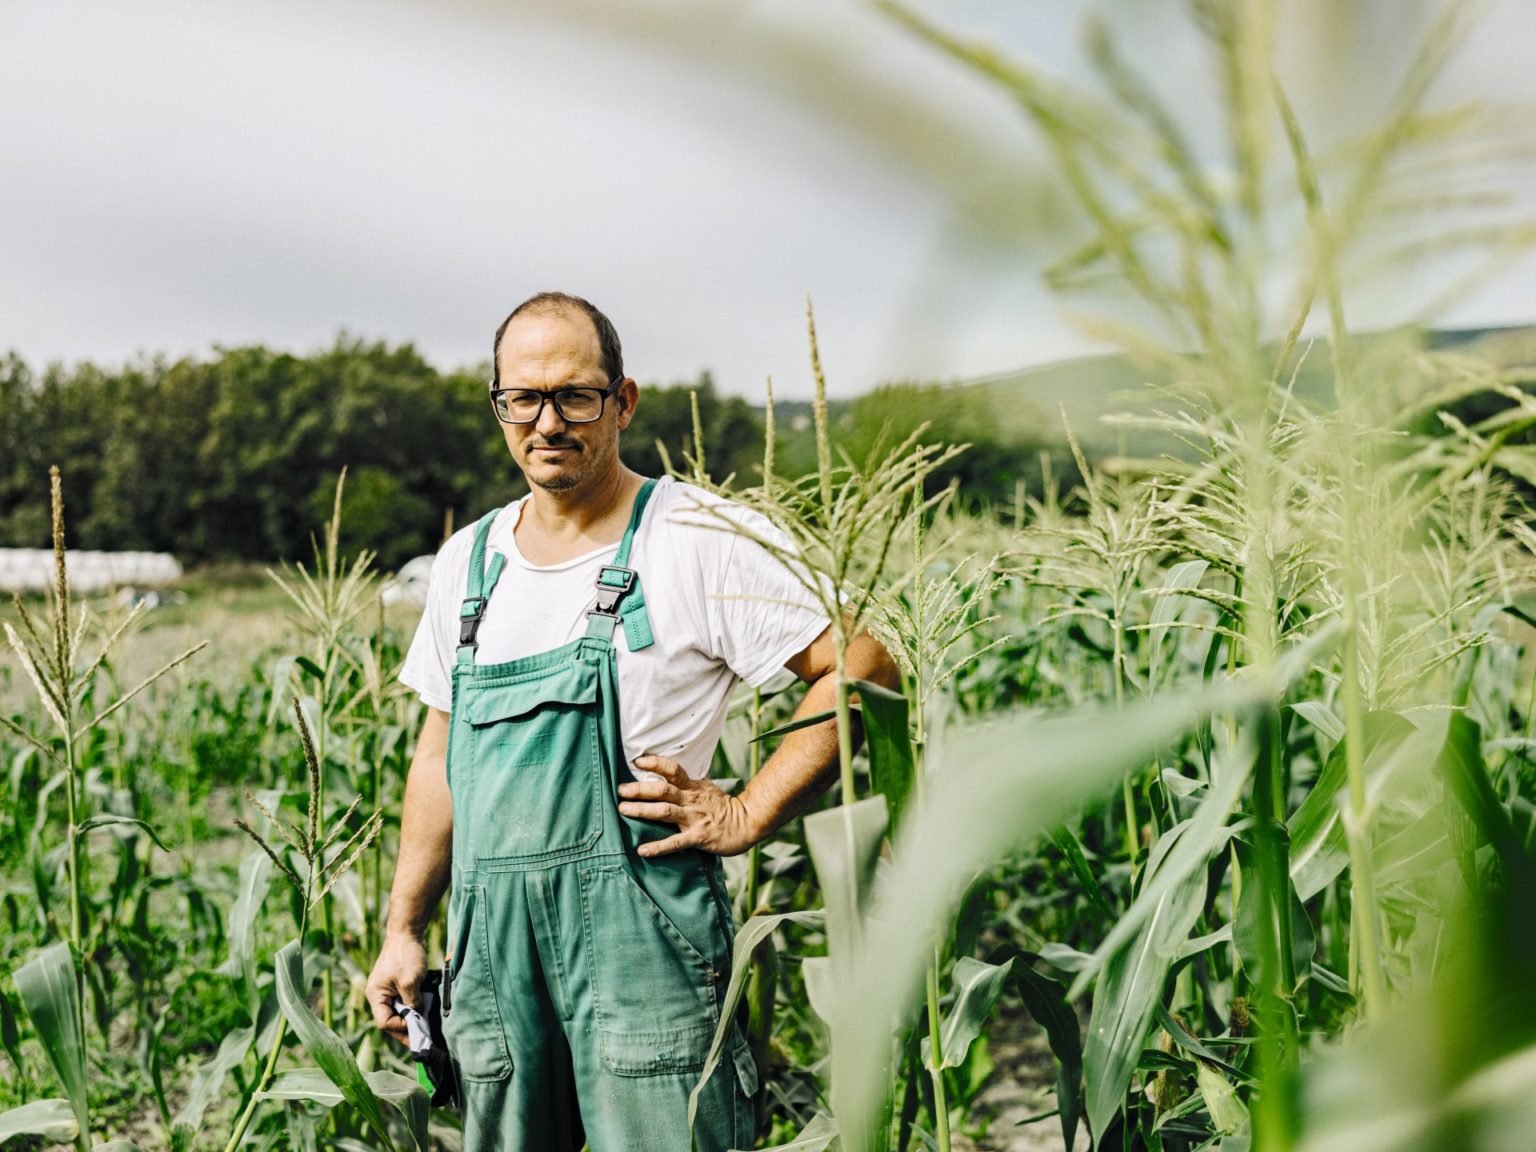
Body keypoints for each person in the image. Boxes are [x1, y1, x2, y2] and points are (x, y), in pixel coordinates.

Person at [365, 291, 898, 1151]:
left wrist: (753, 808)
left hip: (643, 948)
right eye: (523, 399)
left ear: (623, 401)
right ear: (498, 406)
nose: (549, 421)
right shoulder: (468, 562)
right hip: (491, 957)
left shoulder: (697, 536)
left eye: (576, 395)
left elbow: (866, 662)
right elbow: (439, 759)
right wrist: (403, 928)